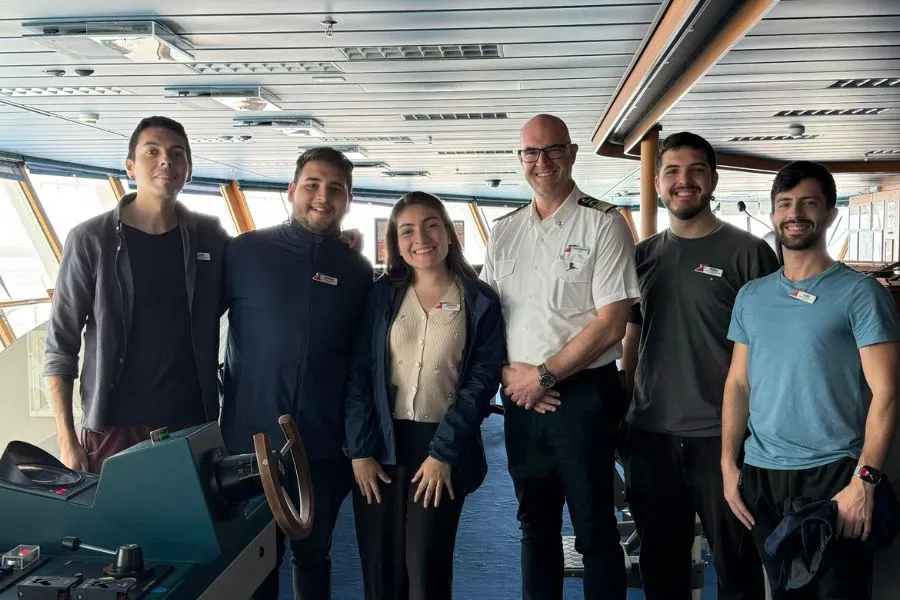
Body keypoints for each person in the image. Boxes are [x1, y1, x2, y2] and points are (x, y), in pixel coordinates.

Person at [722, 161, 900, 599]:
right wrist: (729, 464)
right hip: (763, 474)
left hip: (834, 475)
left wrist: (865, 480)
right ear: (773, 212)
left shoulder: (861, 294)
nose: (794, 213)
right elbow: (738, 384)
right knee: (783, 593)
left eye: (807, 203)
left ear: (830, 213)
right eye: (784, 204)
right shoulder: (752, 295)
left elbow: (889, 392)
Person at [481, 114, 638, 600]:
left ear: (571, 154)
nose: (541, 161)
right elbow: (489, 319)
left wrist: (545, 376)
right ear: (520, 159)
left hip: (583, 396)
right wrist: (511, 374)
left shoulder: (604, 223)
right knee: (534, 524)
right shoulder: (504, 231)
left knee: (594, 528)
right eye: (531, 152)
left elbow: (612, 321)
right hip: (521, 397)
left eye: (552, 150)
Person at [620, 132, 774, 600]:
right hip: (651, 436)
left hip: (723, 440)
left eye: (695, 171)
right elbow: (631, 342)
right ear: (657, 181)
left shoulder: (749, 254)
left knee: (737, 565)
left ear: (713, 180)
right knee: (660, 565)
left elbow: (772, 349)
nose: (683, 181)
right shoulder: (642, 256)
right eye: (672, 171)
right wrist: (625, 415)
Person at [220, 147, 373, 600]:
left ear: (348, 200)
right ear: (291, 191)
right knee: (255, 563)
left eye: (336, 189)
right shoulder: (244, 252)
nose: (322, 197)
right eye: (312, 184)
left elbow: (363, 364)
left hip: (323, 450)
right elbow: (189, 327)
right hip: (248, 449)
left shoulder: (358, 271)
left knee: (314, 557)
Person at [44, 116, 228, 474]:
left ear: (188, 170)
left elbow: (257, 271)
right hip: (114, 427)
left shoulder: (210, 237)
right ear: (130, 167)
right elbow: (60, 348)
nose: (166, 161)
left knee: (187, 528)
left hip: (191, 423)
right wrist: (67, 441)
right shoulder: (91, 239)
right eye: (152, 152)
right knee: (118, 529)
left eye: (177, 154)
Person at [345, 191, 505, 600]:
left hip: (441, 445)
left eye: (431, 224)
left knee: (426, 565)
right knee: (380, 565)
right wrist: (360, 451)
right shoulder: (382, 295)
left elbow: (479, 385)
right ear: (395, 243)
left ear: (449, 233)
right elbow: (361, 374)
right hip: (382, 443)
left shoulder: (479, 300)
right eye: (407, 230)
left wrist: (444, 454)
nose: (421, 237)